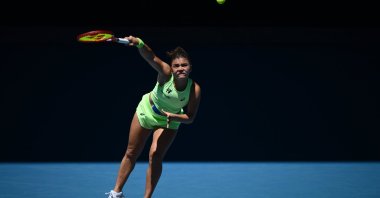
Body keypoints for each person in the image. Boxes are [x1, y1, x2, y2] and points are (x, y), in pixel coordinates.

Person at [106, 35, 201, 198]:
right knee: (131, 152)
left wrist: (173, 116)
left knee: (155, 156)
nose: (180, 68)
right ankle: (116, 193)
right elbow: (150, 57)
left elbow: (190, 117)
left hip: (170, 120)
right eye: (176, 65)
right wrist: (139, 43)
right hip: (147, 111)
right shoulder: (165, 73)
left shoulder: (195, 90)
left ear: (190, 67)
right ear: (171, 68)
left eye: (184, 65)